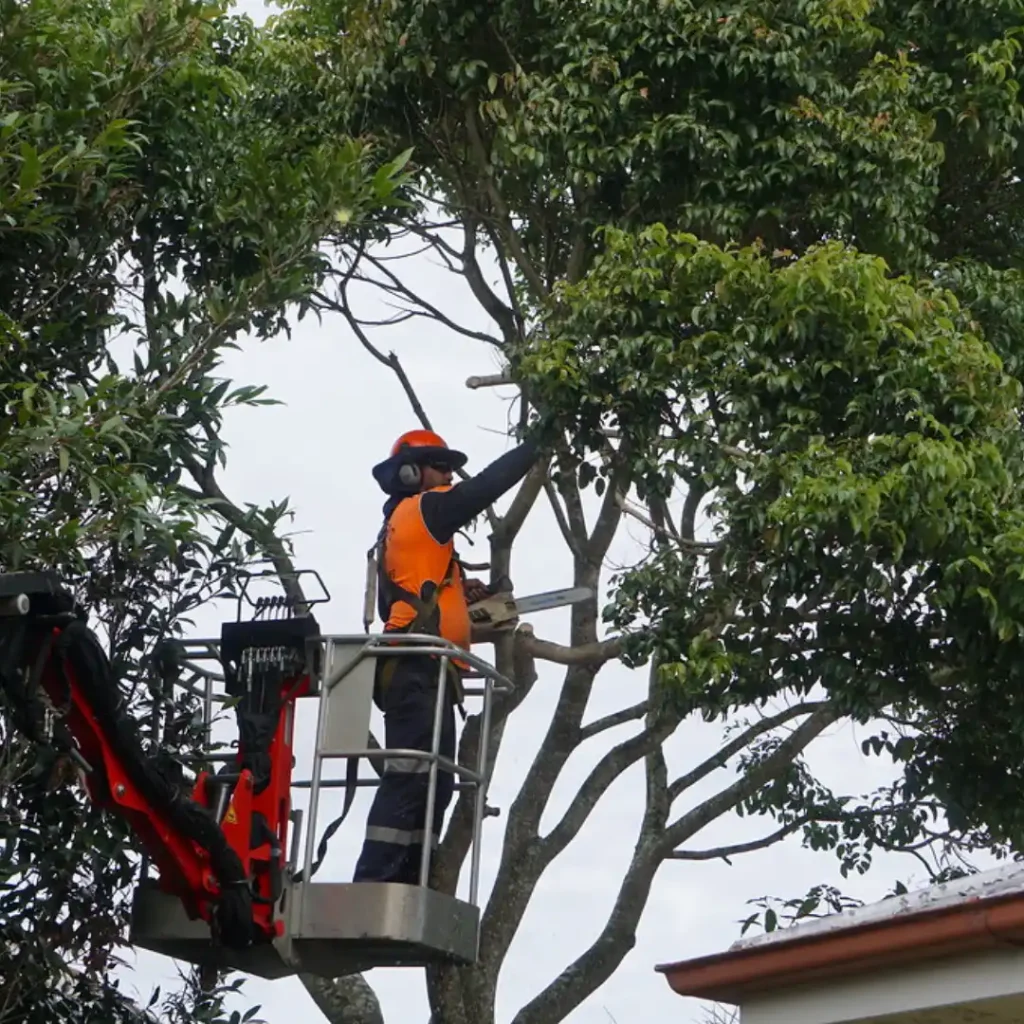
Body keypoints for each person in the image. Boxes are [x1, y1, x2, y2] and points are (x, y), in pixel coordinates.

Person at [353, 427, 539, 885]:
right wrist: (539, 444)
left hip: (428, 670)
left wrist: (462, 591)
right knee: (414, 773)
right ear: (412, 473)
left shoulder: (405, 528)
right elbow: (486, 487)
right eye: (441, 467)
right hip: (415, 666)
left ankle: (410, 879)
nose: (450, 477)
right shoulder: (424, 509)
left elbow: (407, 596)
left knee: (436, 779)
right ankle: (376, 882)